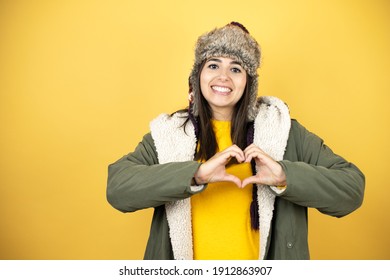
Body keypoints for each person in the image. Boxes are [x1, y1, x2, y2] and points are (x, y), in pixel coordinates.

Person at [106, 22, 365, 260]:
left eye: (236, 68)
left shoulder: (284, 132)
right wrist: (195, 175)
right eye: (213, 65)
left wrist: (285, 176)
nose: (223, 77)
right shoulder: (169, 133)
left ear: (248, 83)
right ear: (198, 77)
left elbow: (351, 190)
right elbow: (118, 189)